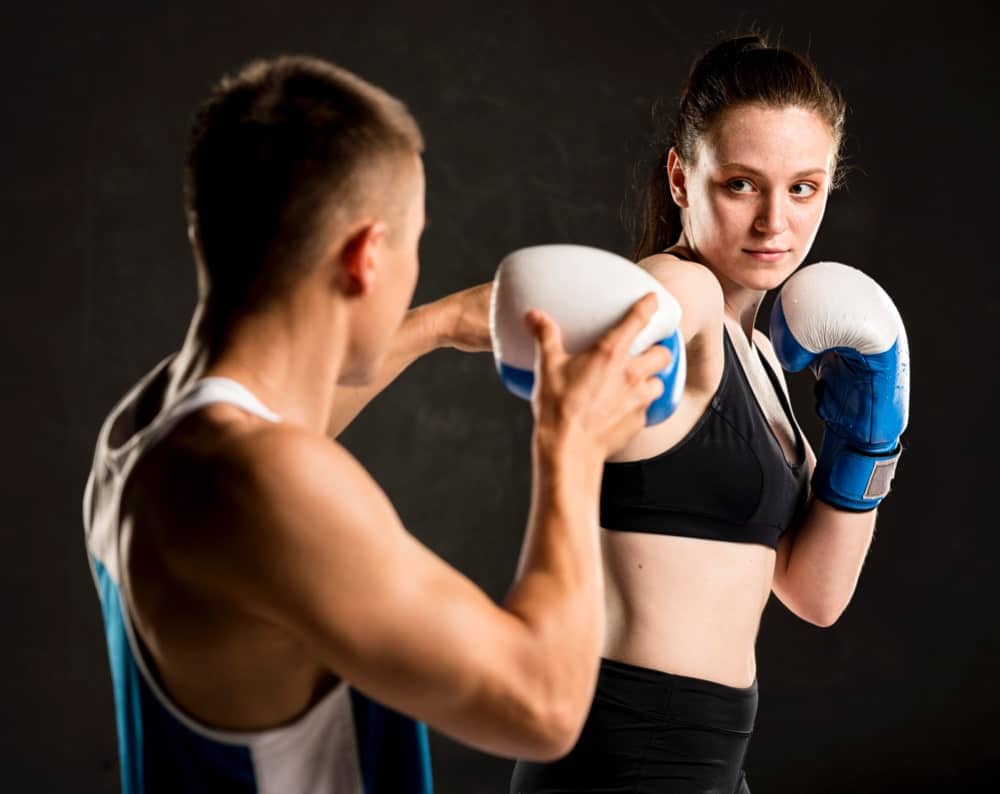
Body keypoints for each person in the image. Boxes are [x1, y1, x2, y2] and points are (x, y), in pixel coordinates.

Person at [82, 55, 673, 793]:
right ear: (365, 256)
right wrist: (572, 446)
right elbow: (543, 708)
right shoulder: (268, 485)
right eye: (414, 239)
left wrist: (435, 325)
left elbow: (275, 418)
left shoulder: (145, 434)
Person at [511, 34, 910, 793]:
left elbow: (816, 594)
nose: (773, 223)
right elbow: (643, 303)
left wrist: (869, 442)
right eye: (739, 184)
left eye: (803, 187)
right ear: (680, 177)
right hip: (624, 756)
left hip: (713, 759)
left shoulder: (760, 359)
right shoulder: (682, 297)